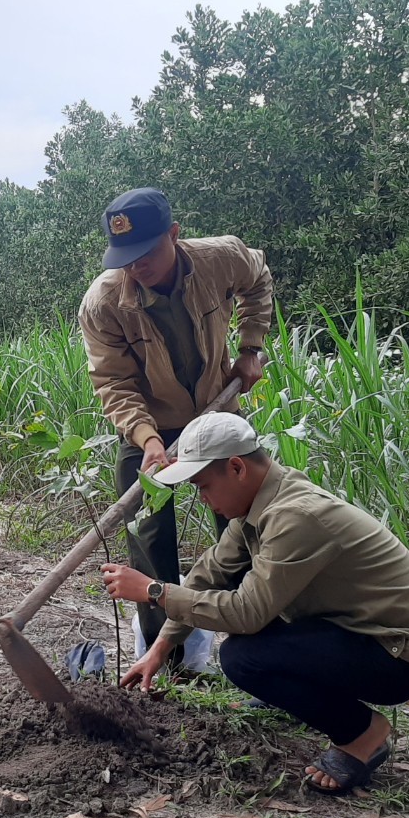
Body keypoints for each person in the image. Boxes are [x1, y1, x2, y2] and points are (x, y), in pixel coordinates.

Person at [100, 413, 409, 795]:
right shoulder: (261, 503)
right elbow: (209, 572)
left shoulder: (295, 516)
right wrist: (160, 649)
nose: (203, 499)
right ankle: (324, 706)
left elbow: (246, 613)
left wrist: (154, 591)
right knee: (253, 642)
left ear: (236, 468)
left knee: (243, 657)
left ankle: (364, 734)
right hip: (356, 632)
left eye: (203, 486)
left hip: (395, 655)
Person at [79, 187, 274, 665]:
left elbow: (259, 277)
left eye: (146, 254)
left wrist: (250, 347)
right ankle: (165, 657)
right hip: (149, 425)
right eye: (125, 258)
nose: (135, 267)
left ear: (174, 235)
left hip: (217, 410)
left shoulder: (220, 259)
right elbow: (114, 383)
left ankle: (265, 643)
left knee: (248, 521)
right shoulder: (103, 303)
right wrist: (147, 440)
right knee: (148, 536)